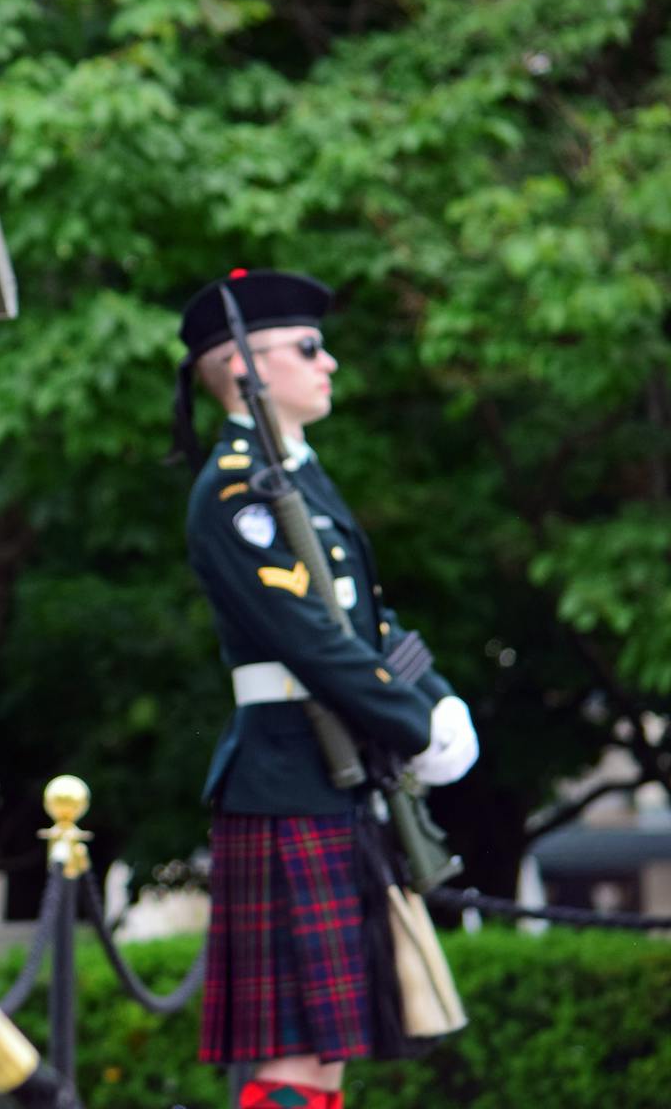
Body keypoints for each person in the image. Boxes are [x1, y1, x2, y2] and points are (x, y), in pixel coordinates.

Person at [171, 270, 478, 1109]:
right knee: (300, 1056)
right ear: (245, 368)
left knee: (328, 1054)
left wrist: (438, 699)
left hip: (333, 779)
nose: (329, 362)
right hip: (289, 781)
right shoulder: (237, 489)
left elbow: (368, 628)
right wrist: (414, 726)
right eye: (307, 349)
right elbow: (308, 641)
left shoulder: (302, 477)